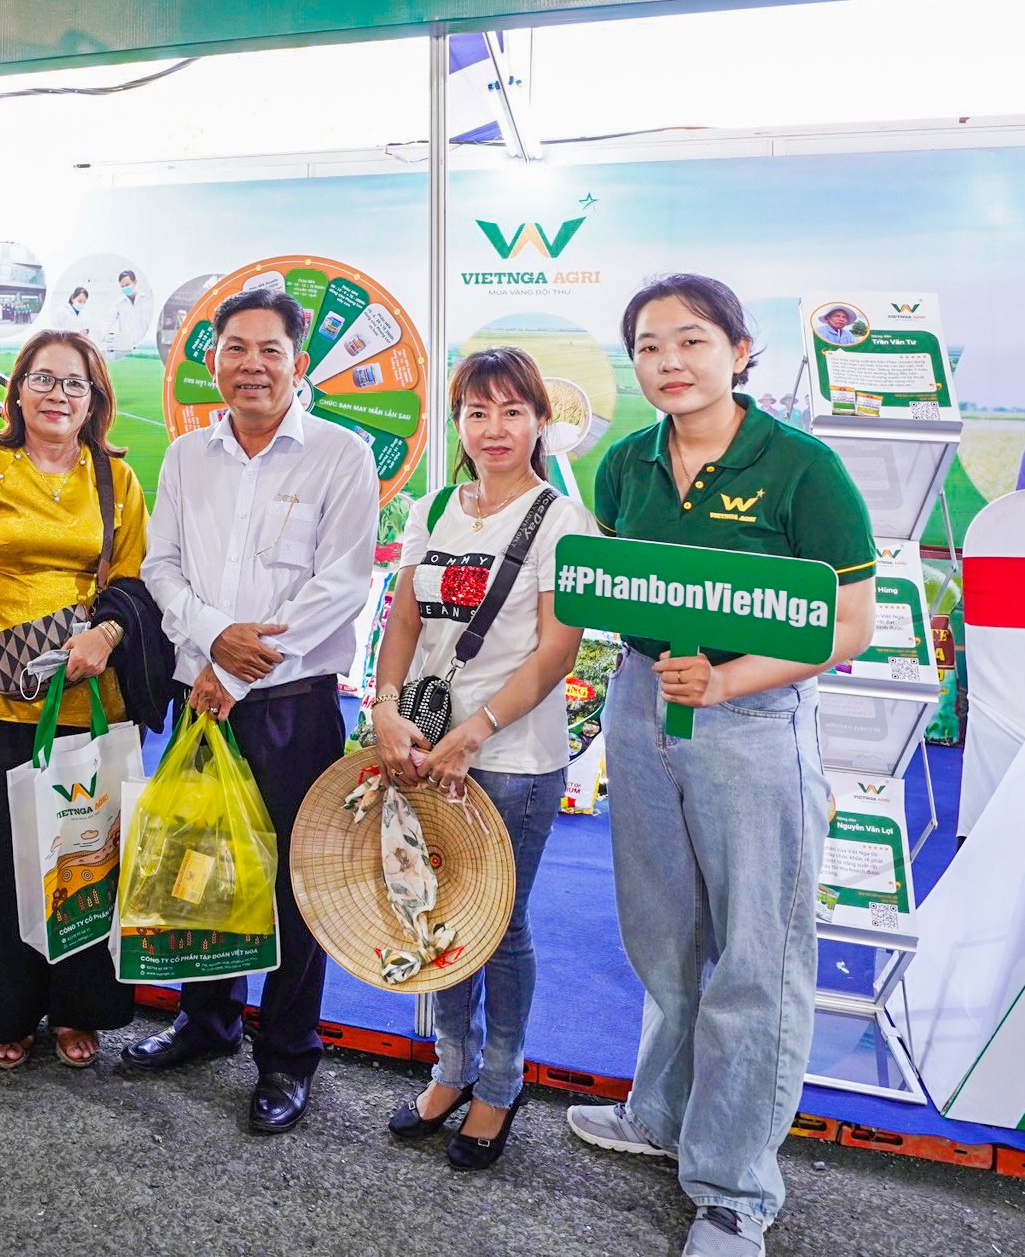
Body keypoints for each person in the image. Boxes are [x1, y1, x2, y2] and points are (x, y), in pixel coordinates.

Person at [568, 275, 877, 1257]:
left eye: (692, 341)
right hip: (641, 702)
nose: (670, 362)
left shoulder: (801, 468)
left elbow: (849, 624)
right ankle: (662, 1116)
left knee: (755, 953)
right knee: (663, 929)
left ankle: (736, 1190)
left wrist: (730, 680)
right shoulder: (626, 464)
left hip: (750, 719)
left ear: (740, 352)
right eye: (650, 346)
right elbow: (616, 581)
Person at [131, 287, 376, 1133]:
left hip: (292, 705)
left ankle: (287, 1056)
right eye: (235, 348)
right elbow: (161, 568)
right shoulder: (185, 457)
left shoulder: (340, 455)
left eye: (270, 349)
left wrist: (234, 673)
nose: (252, 365)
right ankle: (206, 1021)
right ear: (213, 360)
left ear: (298, 362)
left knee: (293, 885)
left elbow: (341, 585)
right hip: (200, 695)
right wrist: (211, 638)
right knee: (200, 864)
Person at [370, 347, 587, 1169]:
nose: (494, 429)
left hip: (513, 759)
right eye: (477, 412)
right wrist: (386, 708)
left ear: (540, 421)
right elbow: (402, 621)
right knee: (437, 913)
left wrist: (478, 730)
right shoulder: (434, 507)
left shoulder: (561, 519)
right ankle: (451, 1068)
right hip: (425, 749)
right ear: (457, 422)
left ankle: (500, 1083)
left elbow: (556, 652)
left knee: (501, 924)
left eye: (512, 411)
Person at [0, 330, 147, 1070]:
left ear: (94, 401)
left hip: (93, 689)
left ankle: (80, 1008)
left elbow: (134, 579)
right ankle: (7, 1007)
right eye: (44, 379)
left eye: (75, 383)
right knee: (0, 858)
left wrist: (106, 636)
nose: (58, 395)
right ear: (18, 390)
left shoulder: (117, 481)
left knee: (85, 853)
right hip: (2, 691)